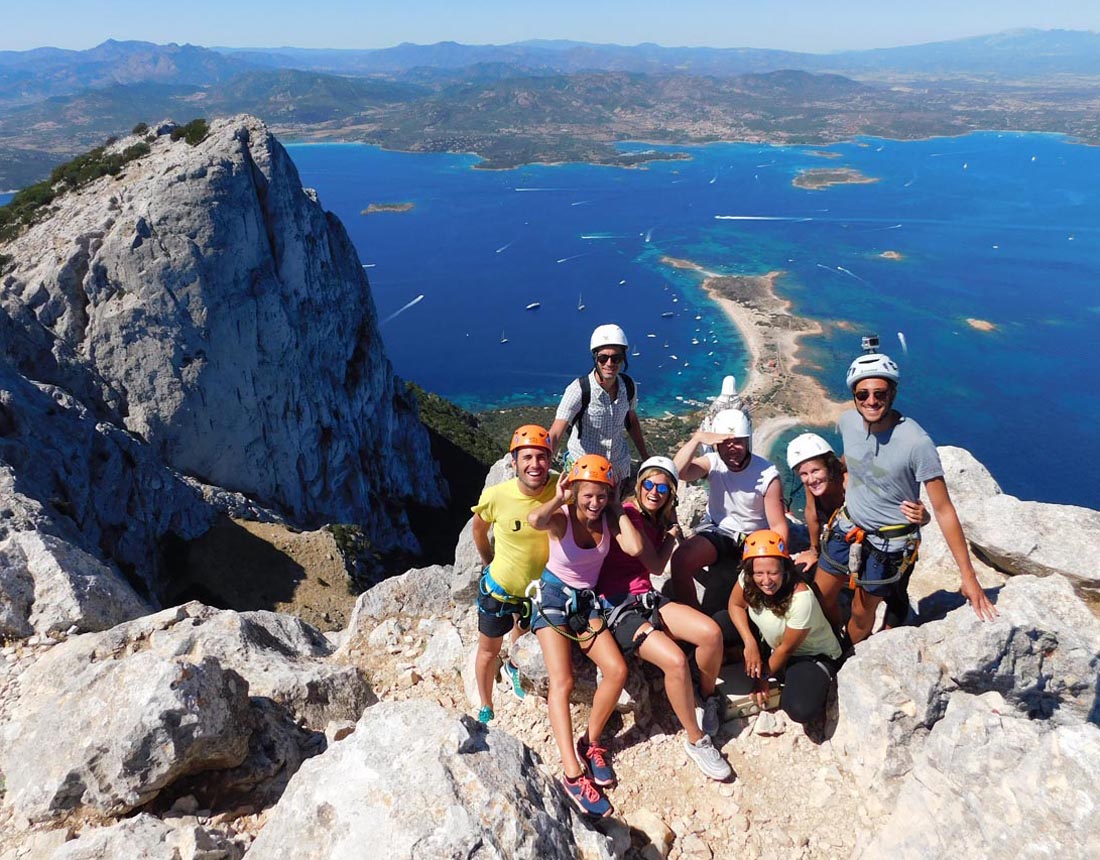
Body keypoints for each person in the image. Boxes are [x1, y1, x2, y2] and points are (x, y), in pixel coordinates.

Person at [820, 349, 998, 645]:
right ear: (854, 396)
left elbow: (944, 509)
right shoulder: (848, 422)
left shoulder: (917, 443)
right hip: (847, 526)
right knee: (820, 593)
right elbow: (851, 458)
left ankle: (843, 656)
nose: (871, 401)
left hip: (887, 543)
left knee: (861, 613)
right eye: (863, 394)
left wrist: (969, 577)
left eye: (880, 393)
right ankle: (828, 642)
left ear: (893, 393)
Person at [597, 456, 732, 781]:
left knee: (711, 634)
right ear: (638, 485)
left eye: (662, 488)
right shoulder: (628, 515)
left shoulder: (654, 518)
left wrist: (668, 528)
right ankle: (696, 740)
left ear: (671, 494)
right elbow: (655, 564)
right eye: (648, 484)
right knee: (675, 661)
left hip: (647, 599)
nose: (654, 492)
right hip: (618, 608)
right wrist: (672, 534)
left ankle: (706, 696)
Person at [527, 454, 643, 818]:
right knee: (562, 681)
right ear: (575, 492)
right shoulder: (562, 518)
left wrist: (617, 506)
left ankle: (591, 743)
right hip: (552, 598)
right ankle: (572, 774)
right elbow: (535, 520)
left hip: (585, 603)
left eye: (601, 496)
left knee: (617, 671)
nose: (594, 503)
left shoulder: (608, 519)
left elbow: (636, 548)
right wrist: (559, 499)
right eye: (588, 495)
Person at [787, 432, 927, 630]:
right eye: (804, 474)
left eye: (815, 471)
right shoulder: (813, 486)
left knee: (894, 596)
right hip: (847, 543)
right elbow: (811, 513)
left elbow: (894, 505)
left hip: (883, 547)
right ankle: (836, 631)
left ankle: (887, 637)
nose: (810, 479)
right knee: (816, 588)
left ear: (828, 466)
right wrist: (813, 550)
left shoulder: (851, 482)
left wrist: (923, 516)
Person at [470, 425, 558, 724]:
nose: (535, 464)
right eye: (527, 457)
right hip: (499, 590)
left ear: (550, 460)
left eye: (542, 457)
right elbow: (479, 530)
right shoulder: (497, 496)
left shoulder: (560, 489)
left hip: (538, 593)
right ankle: (486, 704)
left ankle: (513, 670)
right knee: (488, 651)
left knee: (520, 640)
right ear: (514, 462)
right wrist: (489, 562)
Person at [719, 530, 842, 725]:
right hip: (770, 641)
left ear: (784, 569)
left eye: (773, 573)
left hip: (808, 653)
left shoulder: (801, 599)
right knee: (719, 624)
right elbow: (735, 605)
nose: (766, 581)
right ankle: (747, 656)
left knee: (800, 709)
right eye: (759, 573)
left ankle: (802, 677)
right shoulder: (747, 578)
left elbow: (786, 649)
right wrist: (749, 642)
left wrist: (762, 680)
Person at [669, 408, 787, 611]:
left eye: (738, 441)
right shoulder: (714, 463)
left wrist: (778, 560)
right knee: (680, 560)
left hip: (753, 537)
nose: (731, 448)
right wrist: (697, 439)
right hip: (719, 531)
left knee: (759, 588)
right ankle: (694, 618)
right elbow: (677, 471)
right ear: (716, 444)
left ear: (747, 441)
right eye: (725, 442)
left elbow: (777, 525)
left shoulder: (767, 474)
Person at [548, 324, 649, 492]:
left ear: (623, 359)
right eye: (603, 358)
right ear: (595, 358)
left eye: (616, 358)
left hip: (618, 469)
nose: (610, 363)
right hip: (586, 470)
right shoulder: (578, 390)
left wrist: (646, 457)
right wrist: (542, 462)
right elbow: (556, 432)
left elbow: (631, 421)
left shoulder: (628, 386)